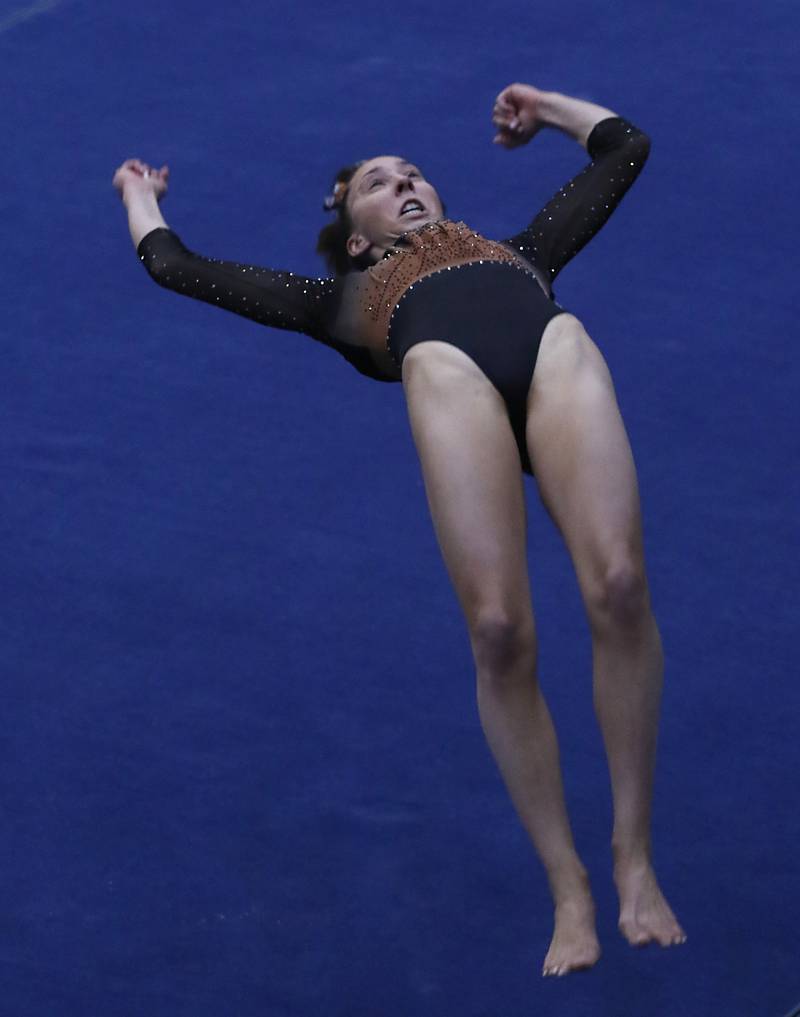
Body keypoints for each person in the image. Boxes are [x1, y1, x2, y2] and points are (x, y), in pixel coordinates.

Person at [113, 83, 686, 977]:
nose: (407, 181)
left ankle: (633, 855)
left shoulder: (523, 253)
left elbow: (625, 147)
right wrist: (137, 192)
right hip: (443, 373)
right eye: (380, 182)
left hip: (551, 355)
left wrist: (543, 108)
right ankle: (568, 885)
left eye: (415, 173)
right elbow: (176, 267)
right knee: (498, 632)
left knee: (617, 585)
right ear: (353, 234)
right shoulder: (338, 303)